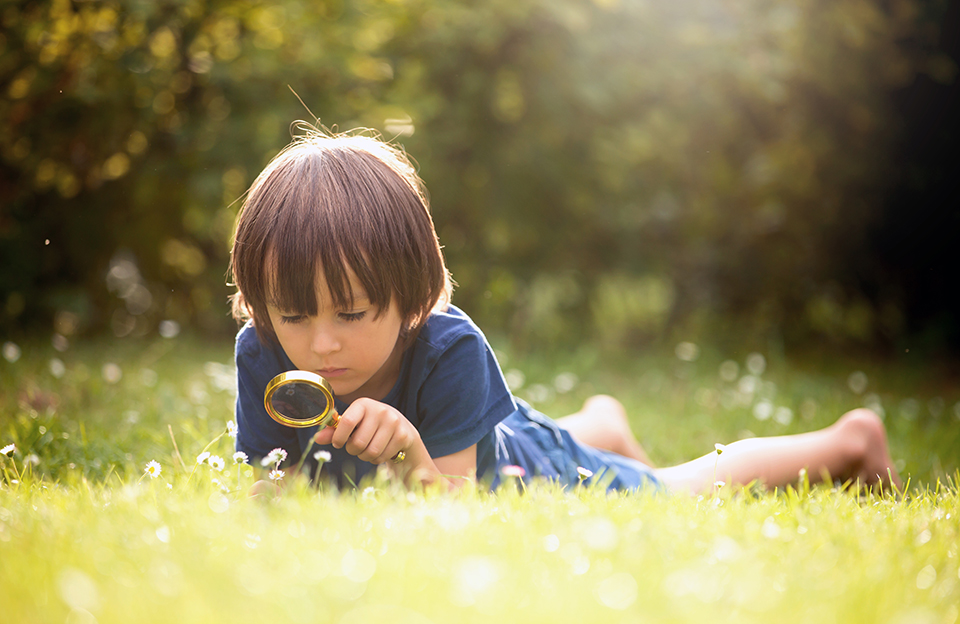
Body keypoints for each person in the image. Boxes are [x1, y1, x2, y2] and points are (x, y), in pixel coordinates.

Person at [229, 126, 902, 495]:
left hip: (519, 469)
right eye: (293, 315)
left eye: (350, 315)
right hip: (497, 431)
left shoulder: (447, 348)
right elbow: (271, 487)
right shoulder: (261, 354)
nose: (320, 345)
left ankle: (846, 443)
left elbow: (456, 517)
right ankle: (600, 422)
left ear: (409, 301)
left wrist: (409, 454)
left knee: (668, 496)